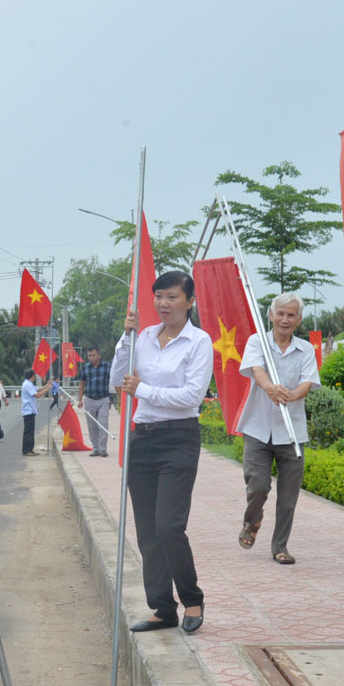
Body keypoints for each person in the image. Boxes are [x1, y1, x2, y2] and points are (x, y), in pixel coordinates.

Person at [111, 270, 213, 634]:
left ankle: (192, 598)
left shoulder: (199, 342)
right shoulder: (142, 337)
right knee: (147, 531)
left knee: (170, 526)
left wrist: (144, 391)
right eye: (159, 297)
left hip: (179, 440)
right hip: (143, 440)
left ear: (189, 301)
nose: (164, 303)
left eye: (172, 297)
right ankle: (162, 607)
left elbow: (191, 396)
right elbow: (116, 381)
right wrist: (126, 338)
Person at [235, 293, 320, 565]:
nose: (285, 319)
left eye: (291, 315)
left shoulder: (305, 349)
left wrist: (292, 395)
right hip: (258, 428)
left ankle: (280, 546)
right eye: (280, 314)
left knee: (288, 496)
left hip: (292, 432)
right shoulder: (256, 341)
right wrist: (270, 388)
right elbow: (257, 370)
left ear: (299, 320)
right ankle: (253, 520)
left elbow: (308, 382)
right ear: (271, 315)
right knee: (257, 486)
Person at [77, 347, 112, 457]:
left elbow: (115, 380)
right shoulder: (86, 368)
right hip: (89, 400)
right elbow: (82, 383)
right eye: (89, 356)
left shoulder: (107, 366)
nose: (91, 358)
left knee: (103, 424)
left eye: (93, 355)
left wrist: (119, 397)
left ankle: (102, 449)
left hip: (103, 399)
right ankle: (95, 448)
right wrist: (80, 400)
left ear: (99, 355)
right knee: (92, 426)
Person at [19, 369, 52, 457]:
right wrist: (47, 389)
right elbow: (37, 395)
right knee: (28, 432)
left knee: (30, 431)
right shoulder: (27, 385)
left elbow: (37, 389)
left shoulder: (29, 384)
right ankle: (26, 450)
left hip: (31, 410)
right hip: (28, 411)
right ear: (32, 376)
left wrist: (46, 385)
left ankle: (30, 449)